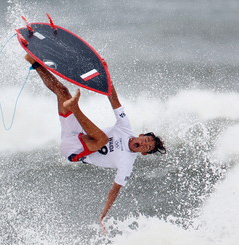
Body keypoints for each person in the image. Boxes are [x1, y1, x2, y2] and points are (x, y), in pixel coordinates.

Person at [24, 54, 166, 233]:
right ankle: (34, 63)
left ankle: (74, 107)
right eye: (145, 140)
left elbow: (114, 191)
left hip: (74, 150)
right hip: (76, 133)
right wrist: (105, 73)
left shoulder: (127, 164)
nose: (144, 144)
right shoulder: (125, 127)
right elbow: (113, 98)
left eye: (147, 147)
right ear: (139, 135)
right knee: (63, 91)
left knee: (102, 140)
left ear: (144, 153)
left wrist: (103, 215)